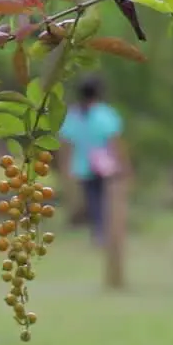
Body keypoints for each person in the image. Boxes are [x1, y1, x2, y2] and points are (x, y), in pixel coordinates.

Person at [58, 76, 129, 246]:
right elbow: (114, 142)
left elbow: (66, 144)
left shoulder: (73, 115)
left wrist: (65, 168)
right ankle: (108, 232)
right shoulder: (105, 114)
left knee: (93, 201)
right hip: (106, 165)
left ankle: (99, 233)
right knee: (107, 199)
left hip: (83, 166)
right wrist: (124, 164)